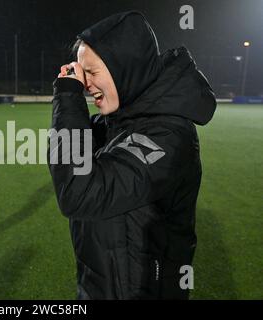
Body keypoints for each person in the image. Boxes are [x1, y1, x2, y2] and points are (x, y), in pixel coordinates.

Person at [48, 11, 216, 299]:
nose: (85, 85)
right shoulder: (118, 122)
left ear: (125, 66)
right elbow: (67, 160)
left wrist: (67, 96)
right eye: (81, 73)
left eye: (92, 71)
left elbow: (78, 193)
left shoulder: (168, 134)